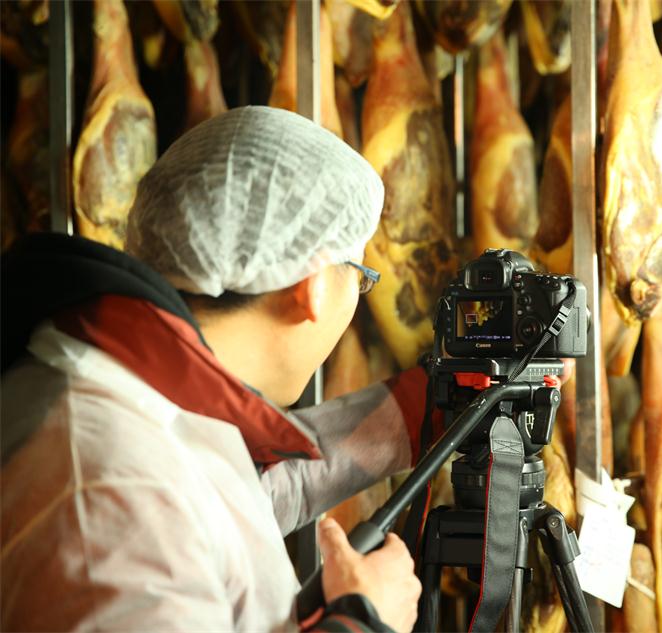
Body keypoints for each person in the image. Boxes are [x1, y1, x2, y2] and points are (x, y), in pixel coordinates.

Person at [1, 107, 429, 631]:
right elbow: (156, 507)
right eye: (360, 276)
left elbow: (234, 495)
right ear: (313, 288)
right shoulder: (108, 485)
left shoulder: (121, 385)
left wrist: (423, 408)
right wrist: (362, 620)